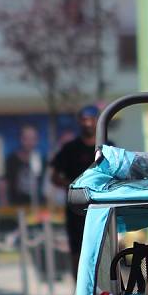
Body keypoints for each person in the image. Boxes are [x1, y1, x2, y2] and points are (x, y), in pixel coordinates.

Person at [50, 105, 100, 278]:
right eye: (84, 119)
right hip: (76, 209)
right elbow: (54, 177)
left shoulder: (107, 146)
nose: (88, 123)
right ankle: (79, 292)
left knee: (103, 250)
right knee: (77, 252)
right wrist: (75, 187)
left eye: (91, 119)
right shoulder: (70, 148)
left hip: (102, 206)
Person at [0, 124, 44, 207]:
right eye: (26, 139)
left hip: (37, 207)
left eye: (33, 139)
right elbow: (3, 184)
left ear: (37, 140)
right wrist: (5, 206)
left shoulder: (41, 160)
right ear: (21, 139)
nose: (30, 142)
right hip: (16, 207)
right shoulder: (11, 160)